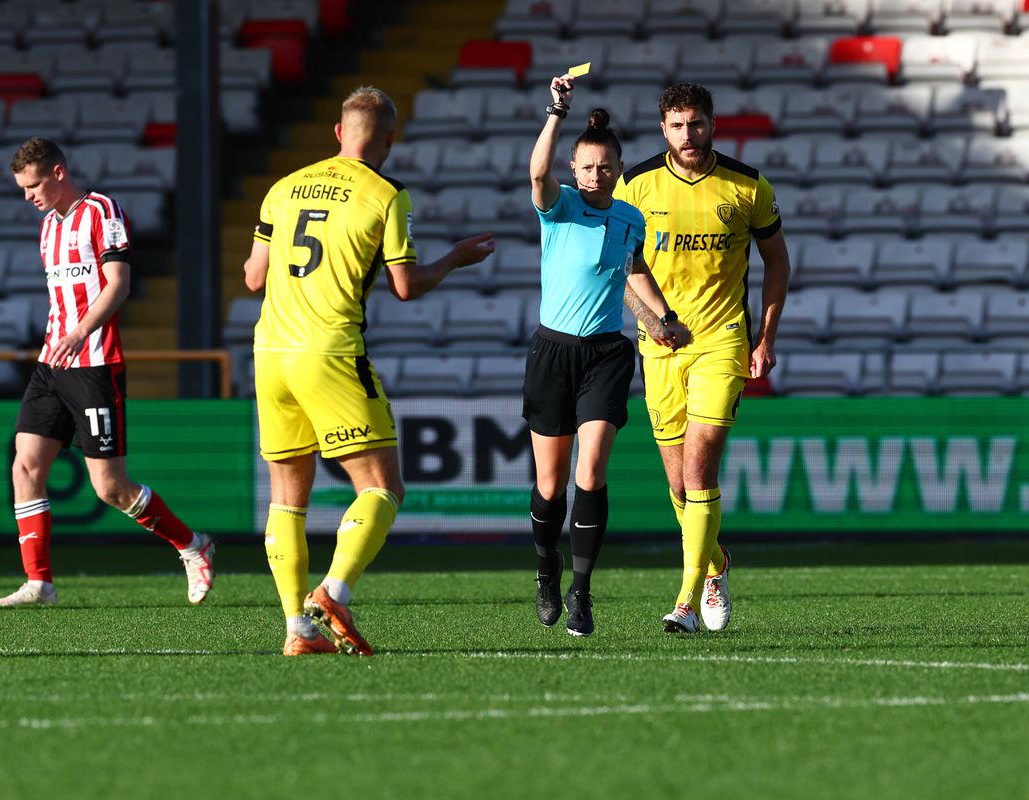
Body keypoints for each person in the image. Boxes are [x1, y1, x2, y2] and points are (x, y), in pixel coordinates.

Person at [243, 86, 495, 657]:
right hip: (329, 351)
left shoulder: (282, 189)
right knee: (382, 486)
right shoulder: (386, 194)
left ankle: (298, 632)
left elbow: (253, 279)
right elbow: (405, 287)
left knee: (286, 497)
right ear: (389, 139)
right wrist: (455, 258)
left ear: (338, 132)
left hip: (270, 354)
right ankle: (333, 591)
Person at [0, 137, 215, 608]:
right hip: (52, 363)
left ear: (57, 174)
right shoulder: (48, 225)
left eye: (32, 185)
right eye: (22, 189)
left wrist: (80, 330)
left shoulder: (102, 211)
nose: (28, 196)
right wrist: (59, 340)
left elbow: (119, 284)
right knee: (25, 466)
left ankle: (193, 545)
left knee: (111, 487)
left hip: (93, 363)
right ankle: (40, 583)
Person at [613, 83, 791, 634]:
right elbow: (617, 265)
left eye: (696, 124)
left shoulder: (747, 186)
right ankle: (717, 564)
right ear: (662, 129)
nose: (687, 135)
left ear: (712, 124)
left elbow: (777, 264)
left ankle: (687, 599)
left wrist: (765, 339)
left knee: (699, 466)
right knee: (677, 486)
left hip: (722, 340)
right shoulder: (635, 184)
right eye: (677, 126)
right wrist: (652, 322)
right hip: (662, 349)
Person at [527, 74, 691, 637]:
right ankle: (546, 569)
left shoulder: (629, 217)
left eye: (605, 167)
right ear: (575, 169)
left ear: (618, 170)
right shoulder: (559, 207)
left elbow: (635, 268)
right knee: (550, 487)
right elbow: (534, 173)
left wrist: (664, 317)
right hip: (552, 353)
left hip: (605, 354)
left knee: (590, 472)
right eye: (587, 166)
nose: (596, 174)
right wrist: (556, 112)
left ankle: (581, 590)